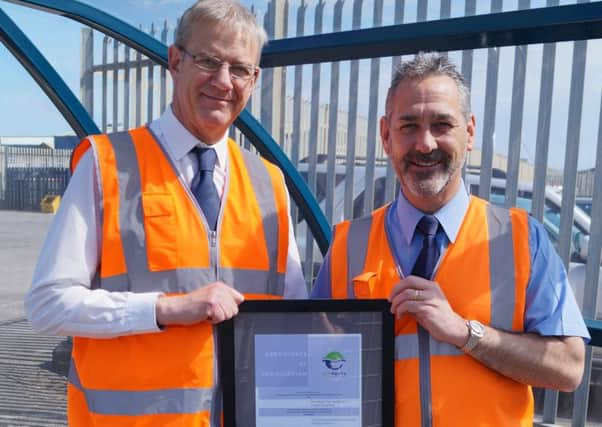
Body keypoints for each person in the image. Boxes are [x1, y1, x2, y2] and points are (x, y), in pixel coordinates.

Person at [25, 1, 307, 425]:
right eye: (209, 61)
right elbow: (48, 304)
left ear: (255, 79)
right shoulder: (106, 166)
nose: (223, 82)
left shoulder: (270, 183)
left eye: (240, 69)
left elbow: (295, 317)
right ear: (175, 61)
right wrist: (162, 309)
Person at [311, 52, 589, 426]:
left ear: (469, 132)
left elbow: (569, 368)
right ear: (385, 135)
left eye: (442, 124)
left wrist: (465, 332)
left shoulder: (522, 239)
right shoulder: (347, 245)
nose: (425, 144)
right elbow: (315, 365)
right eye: (408, 126)